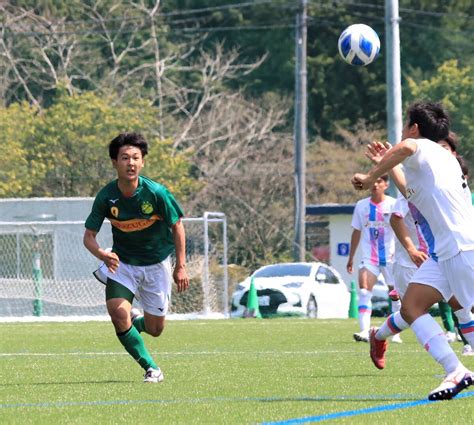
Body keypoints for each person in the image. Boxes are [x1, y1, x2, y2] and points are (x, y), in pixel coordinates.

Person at [351, 101, 474, 401]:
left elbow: (405, 148)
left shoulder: (421, 147)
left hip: (462, 248)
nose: (404, 131)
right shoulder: (440, 160)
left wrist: (370, 177)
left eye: (407, 125)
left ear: (415, 128)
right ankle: (455, 370)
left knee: (460, 309)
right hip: (445, 255)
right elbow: (410, 190)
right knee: (411, 307)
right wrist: (386, 163)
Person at [83, 132, 189, 383]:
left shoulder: (157, 193)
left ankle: (137, 323)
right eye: (124, 158)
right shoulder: (106, 196)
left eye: (135, 158)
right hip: (123, 263)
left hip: (156, 264)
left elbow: (178, 226)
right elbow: (88, 236)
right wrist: (102, 254)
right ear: (114, 162)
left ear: (142, 162)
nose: (130, 163)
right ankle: (152, 368)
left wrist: (181, 266)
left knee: (155, 329)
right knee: (117, 313)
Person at [346, 175, 397, 343]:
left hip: (391, 258)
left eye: (379, 181)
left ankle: (396, 333)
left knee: (395, 294)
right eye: (373, 181)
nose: (375, 185)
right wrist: (351, 257)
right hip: (369, 258)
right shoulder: (361, 206)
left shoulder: (393, 204)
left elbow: (403, 229)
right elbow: (356, 231)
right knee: (364, 290)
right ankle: (364, 331)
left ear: (386, 184)